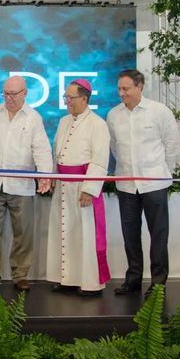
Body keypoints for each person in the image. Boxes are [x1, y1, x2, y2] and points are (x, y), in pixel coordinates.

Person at [0, 76, 52, 292]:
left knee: (23, 233)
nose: (9, 98)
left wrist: (45, 176)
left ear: (25, 93)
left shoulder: (33, 118)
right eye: (5, 93)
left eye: (13, 94)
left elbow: (42, 149)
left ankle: (20, 275)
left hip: (22, 186)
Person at [107, 69, 179, 297]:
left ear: (140, 87)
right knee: (130, 234)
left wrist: (165, 172)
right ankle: (133, 279)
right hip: (126, 184)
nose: (122, 93)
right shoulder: (114, 115)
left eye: (126, 89)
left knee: (158, 235)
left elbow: (172, 146)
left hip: (154, 183)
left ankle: (158, 283)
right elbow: (114, 148)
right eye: (119, 89)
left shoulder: (159, 112)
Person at [46, 78, 111, 297]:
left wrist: (90, 189)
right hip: (63, 186)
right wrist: (53, 176)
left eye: (70, 97)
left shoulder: (97, 124)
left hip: (82, 187)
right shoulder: (64, 121)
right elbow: (58, 151)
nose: (67, 101)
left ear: (84, 98)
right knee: (65, 234)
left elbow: (100, 159)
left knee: (84, 236)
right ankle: (68, 279)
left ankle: (90, 283)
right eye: (65, 97)